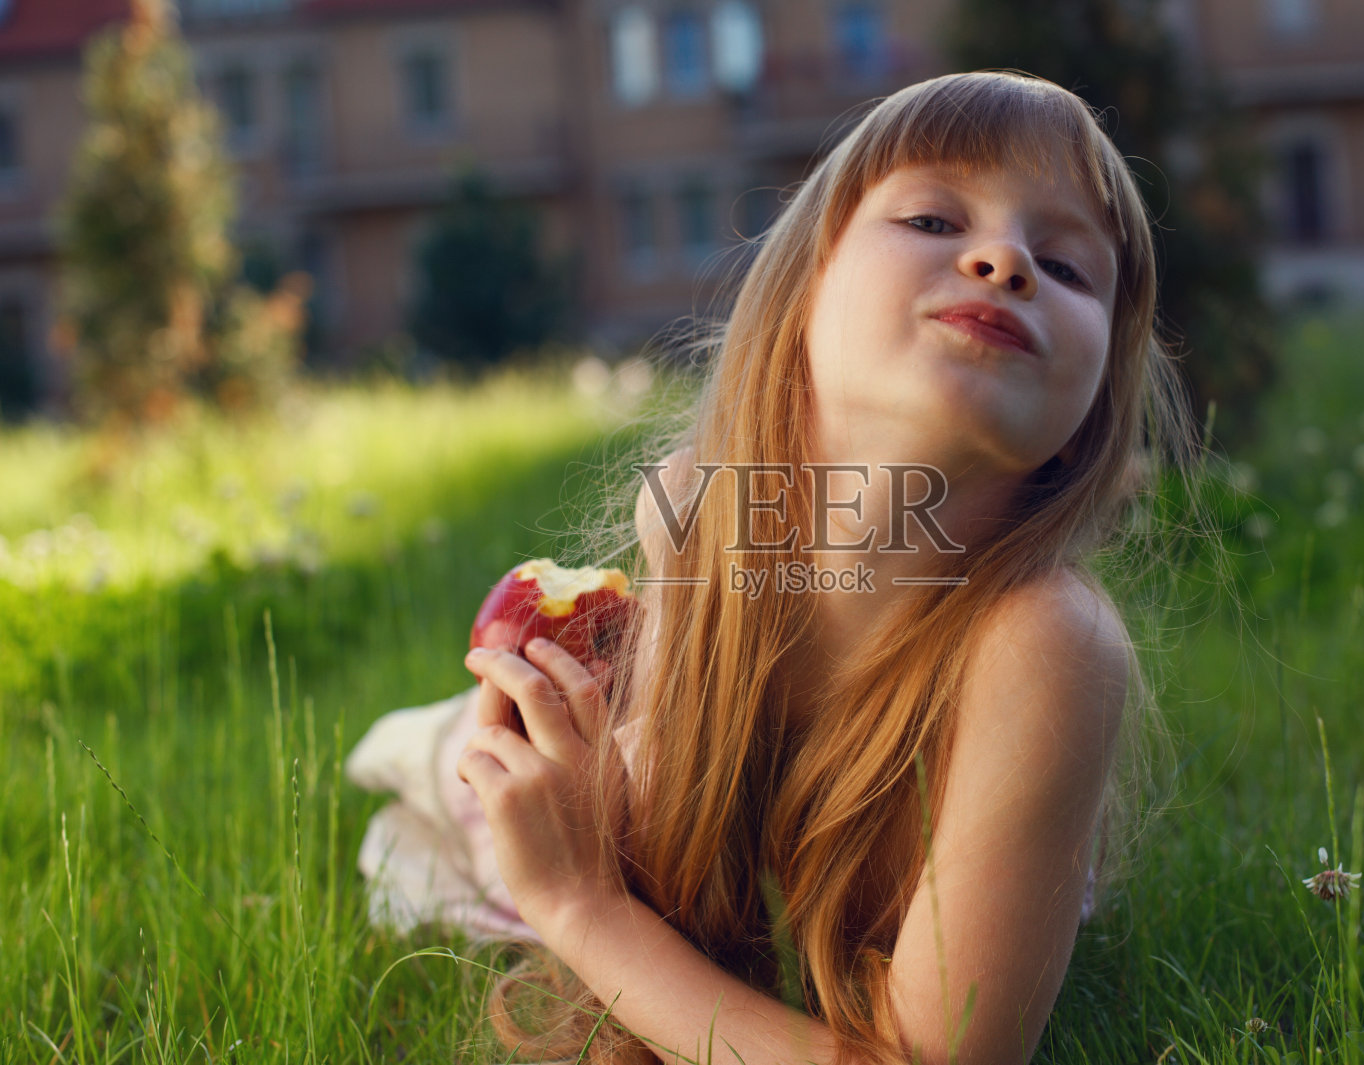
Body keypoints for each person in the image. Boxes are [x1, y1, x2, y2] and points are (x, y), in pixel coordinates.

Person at [347, 70, 1196, 1065]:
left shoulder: (1044, 644)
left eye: (1066, 267)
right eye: (930, 218)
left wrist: (581, 910)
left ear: (1089, 410)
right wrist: (581, 808)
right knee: (437, 790)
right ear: (800, 298)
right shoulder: (702, 513)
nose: (1004, 259)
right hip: (680, 804)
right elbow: (683, 886)